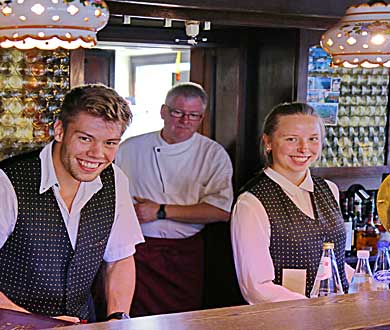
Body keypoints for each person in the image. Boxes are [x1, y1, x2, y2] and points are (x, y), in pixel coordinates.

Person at [0, 84, 144, 323]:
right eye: (85, 138)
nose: (97, 154)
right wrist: (36, 325)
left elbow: (120, 259)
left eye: (110, 143)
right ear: (59, 130)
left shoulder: (115, 180)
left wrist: (118, 317)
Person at [115, 82, 233, 316]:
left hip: (185, 255)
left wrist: (160, 210)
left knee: (184, 318)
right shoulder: (129, 148)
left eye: (193, 115)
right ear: (163, 111)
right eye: (177, 112)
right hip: (139, 253)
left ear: (201, 117)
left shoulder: (212, 153)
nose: (184, 120)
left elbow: (222, 211)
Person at [231, 102, 349, 304]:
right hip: (283, 320)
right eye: (291, 139)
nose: (304, 148)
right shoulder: (251, 203)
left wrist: (366, 284)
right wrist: (313, 311)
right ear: (268, 142)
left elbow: (337, 262)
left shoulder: (330, 189)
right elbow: (256, 288)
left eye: (313, 139)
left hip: (337, 316)